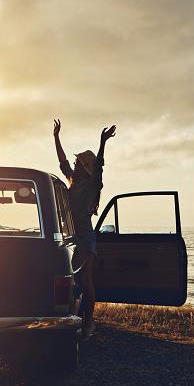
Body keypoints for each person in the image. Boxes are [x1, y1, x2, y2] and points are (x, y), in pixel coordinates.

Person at [53, 119, 116, 340]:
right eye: (77, 163)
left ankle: (89, 321)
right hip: (70, 237)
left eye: (79, 163)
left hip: (86, 239)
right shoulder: (71, 181)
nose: (76, 165)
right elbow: (61, 162)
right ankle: (74, 317)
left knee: (86, 281)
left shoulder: (91, 186)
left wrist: (102, 143)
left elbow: (99, 168)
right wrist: (56, 137)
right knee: (70, 280)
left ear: (85, 168)